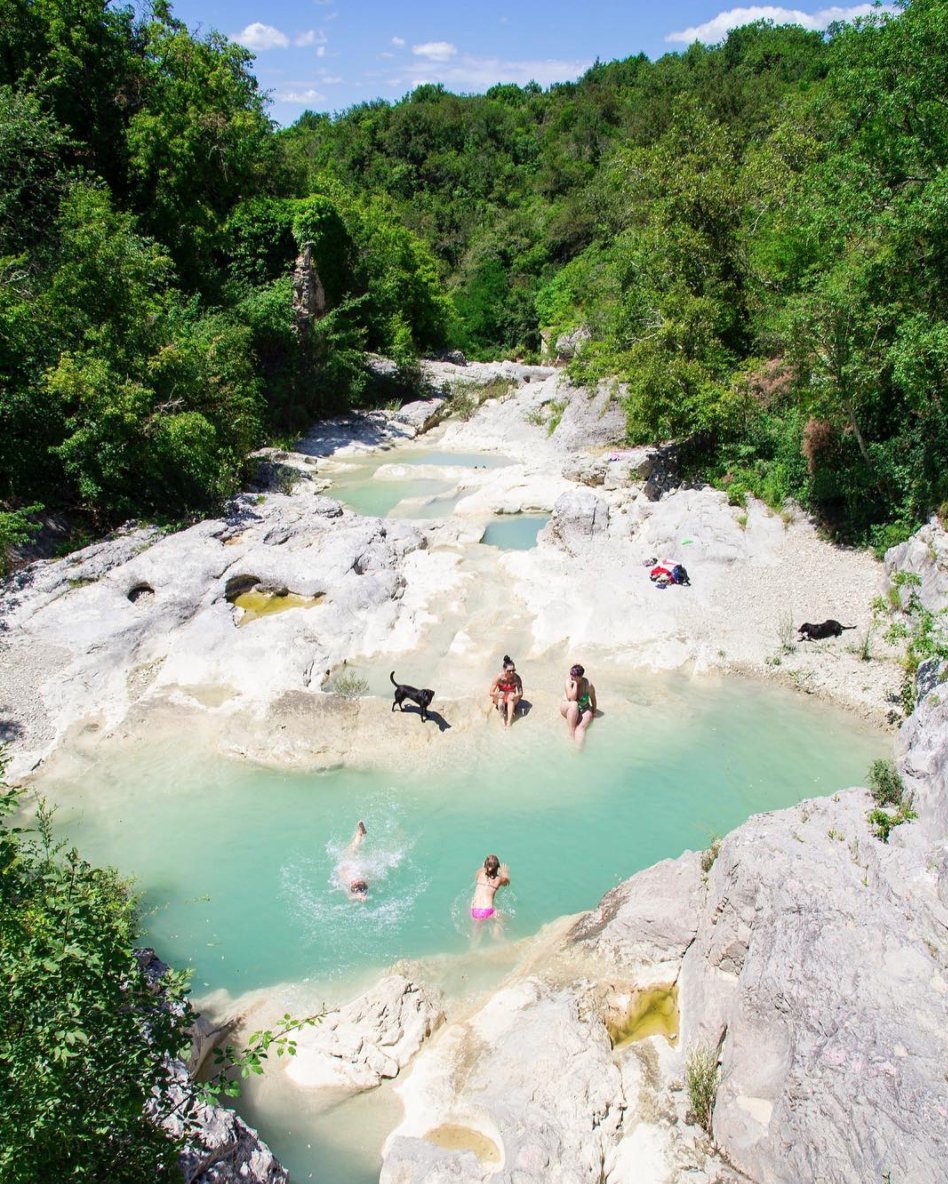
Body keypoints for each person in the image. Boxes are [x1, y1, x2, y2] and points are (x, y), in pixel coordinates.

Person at [471, 853, 510, 937]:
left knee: (477, 929)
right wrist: (505, 872)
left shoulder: (479, 874)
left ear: (485, 866)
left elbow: (478, 873)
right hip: (487, 910)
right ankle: (496, 934)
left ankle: (473, 946)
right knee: (504, 918)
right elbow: (507, 882)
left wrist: (485, 866)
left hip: (474, 911)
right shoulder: (498, 879)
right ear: (497, 868)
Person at [559, 663, 597, 749]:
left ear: (581, 676)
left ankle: (578, 749)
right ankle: (571, 733)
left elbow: (593, 698)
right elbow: (572, 698)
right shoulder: (568, 682)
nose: (572, 676)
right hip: (568, 707)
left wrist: (594, 711)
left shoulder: (588, 685)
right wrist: (575, 684)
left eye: (574, 675)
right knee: (574, 704)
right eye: (571, 674)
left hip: (584, 708)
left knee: (581, 728)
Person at [489, 654, 523, 730]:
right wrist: (497, 694)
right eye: (509, 671)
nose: (511, 673)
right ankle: (502, 721)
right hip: (500, 699)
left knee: (511, 696)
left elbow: (521, 693)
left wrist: (516, 696)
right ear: (504, 670)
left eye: (513, 670)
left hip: (511, 699)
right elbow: (491, 692)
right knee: (501, 696)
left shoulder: (516, 678)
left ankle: (509, 723)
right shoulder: (499, 678)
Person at [337, 820, 369, 899]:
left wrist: (358, 896)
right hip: (351, 861)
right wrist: (361, 896)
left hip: (347, 861)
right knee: (354, 848)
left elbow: (350, 896)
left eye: (356, 884)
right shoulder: (364, 879)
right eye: (359, 883)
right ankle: (360, 833)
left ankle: (360, 833)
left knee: (353, 847)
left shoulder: (347, 882)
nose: (357, 881)